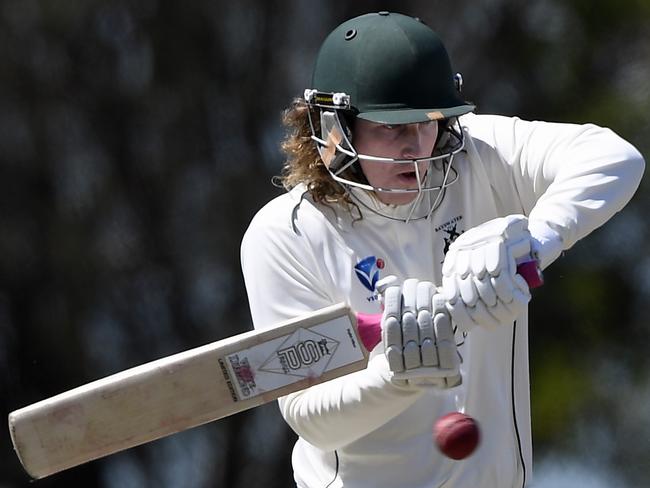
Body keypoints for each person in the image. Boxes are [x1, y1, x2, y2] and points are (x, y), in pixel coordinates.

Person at [240, 11, 644, 488]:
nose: (418, 147)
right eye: (393, 128)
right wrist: (397, 376)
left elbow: (616, 158)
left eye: (429, 123)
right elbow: (310, 418)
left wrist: (531, 242)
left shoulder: (477, 156)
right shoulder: (286, 234)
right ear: (335, 130)